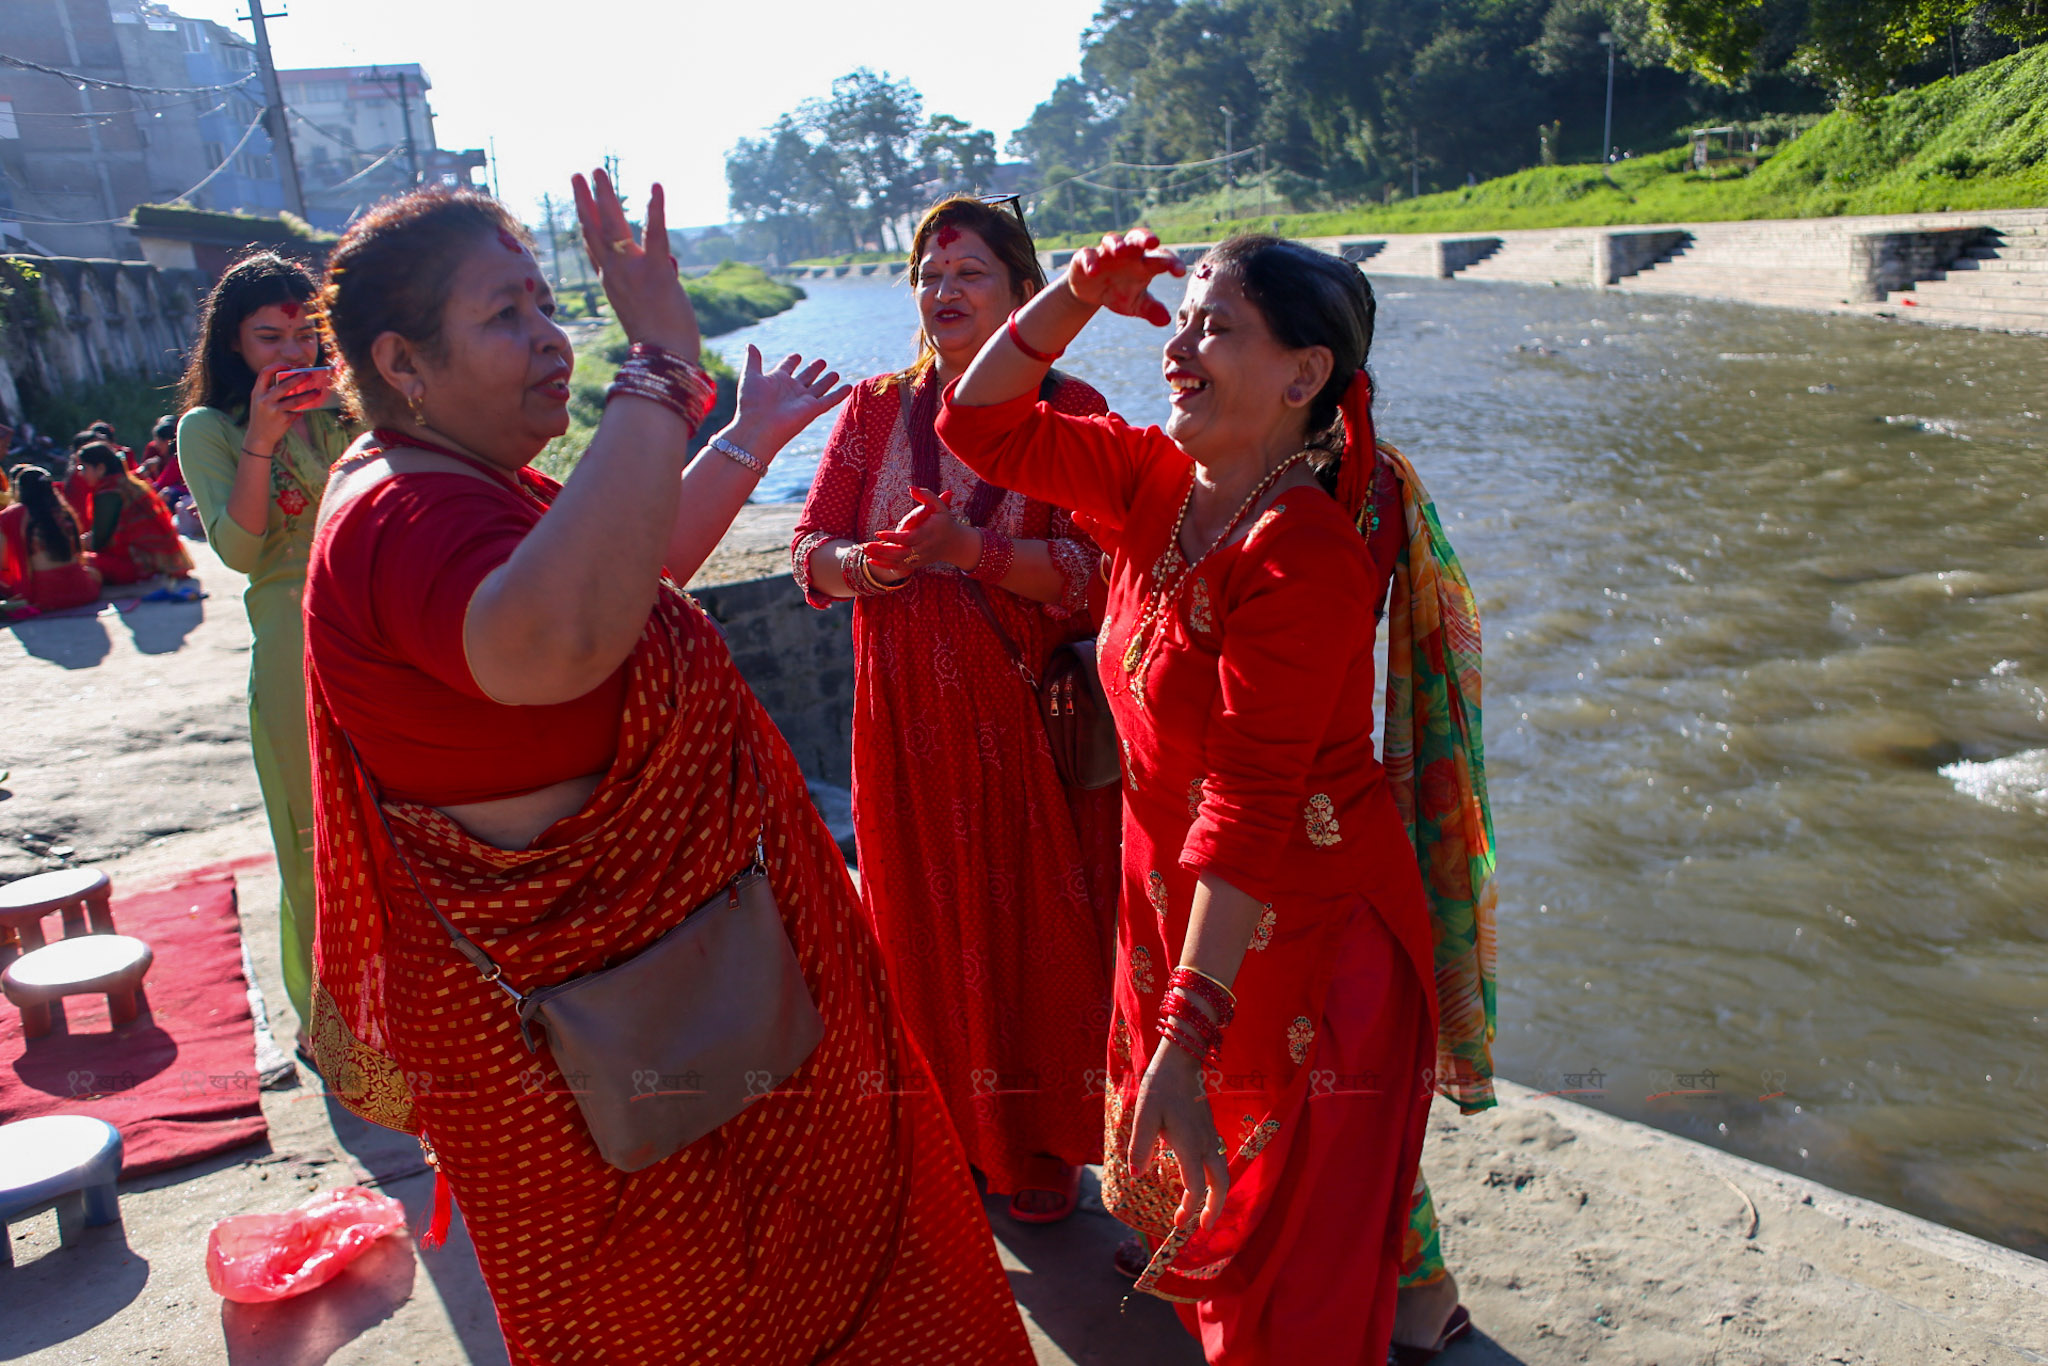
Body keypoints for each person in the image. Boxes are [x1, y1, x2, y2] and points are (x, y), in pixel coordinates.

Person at [302, 179, 1033, 1365]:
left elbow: (627, 578)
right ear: (403, 360)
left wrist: (739, 435)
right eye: (506, 314)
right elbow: (561, 641)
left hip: (674, 1014)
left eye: (550, 304)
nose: (548, 336)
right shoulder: (400, 517)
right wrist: (652, 368)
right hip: (593, 1061)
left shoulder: (467, 487)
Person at [939, 231, 1496, 1365]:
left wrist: (1181, 1047)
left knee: (1279, 1293)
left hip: (1308, 946)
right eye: (1180, 322)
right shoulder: (1150, 475)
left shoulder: (1304, 556)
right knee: (1225, 1247)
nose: (1180, 349)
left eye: (1216, 327)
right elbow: (975, 424)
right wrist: (1074, 296)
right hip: (1186, 915)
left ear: (1303, 377)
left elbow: (1245, 805)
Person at [789, 194, 1119, 1222]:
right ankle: (950, 1140)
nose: (943, 293)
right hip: (902, 733)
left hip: (1021, 728)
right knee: (918, 933)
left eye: (969, 274)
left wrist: (974, 553)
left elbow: (1103, 573)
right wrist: (864, 565)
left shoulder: (1072, 410)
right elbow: (809, 551)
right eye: (930, 278)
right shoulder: (874, 408)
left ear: (1027, 296)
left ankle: (1038, 1150)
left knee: (1039, 936)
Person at [178, 250, 355, 1047]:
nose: (291, 354)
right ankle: (345, 1027)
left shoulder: (349, 409)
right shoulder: (209, 431)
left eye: (305, 334)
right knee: (315, 835)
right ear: (235, 349)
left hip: (380, 630)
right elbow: (242, 551)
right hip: (293, 650)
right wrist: (262, 437)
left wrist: (363, 406)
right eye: (268, 338)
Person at [73, 441, 193, 585]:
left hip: (140, 567)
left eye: (83, 467)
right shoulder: (129, 483)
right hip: (163, 563)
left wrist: (84, 542)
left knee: (78, 561)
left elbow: (99, 541)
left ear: (100, 468)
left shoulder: (108, 492)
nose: (80, 473)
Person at [0, 466, 101, 613]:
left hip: (45, 596)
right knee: (92, 565)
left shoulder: (11, 515)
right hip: (83, 590)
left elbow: (2, 564)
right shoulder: (64, 511)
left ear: (19, 490)